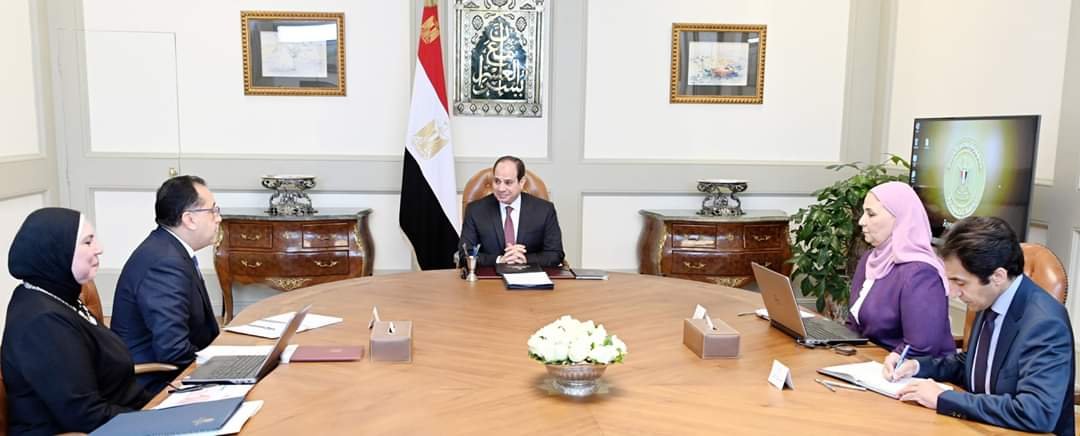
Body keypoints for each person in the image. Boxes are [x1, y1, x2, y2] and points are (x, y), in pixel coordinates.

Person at [889, 216, 1075, 435]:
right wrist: (917, 366)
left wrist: (944, 399)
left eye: (960, 282)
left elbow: (1036, 412)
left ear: (998, 276)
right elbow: (975, 365)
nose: (953, 292)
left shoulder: (1045, 323)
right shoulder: (990, 297)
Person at [2, 208, 152, 434]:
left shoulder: (60, 296)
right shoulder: (42, 322)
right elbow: (85, 415)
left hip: (124, 418)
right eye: (87, 242)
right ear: (56, 251)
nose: (99, 248)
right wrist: (156, 420)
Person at [111, 175, 222, 394]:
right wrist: (221, 369)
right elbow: (173, 350)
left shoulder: (169, 248)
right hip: (156, 383)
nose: (218, 218)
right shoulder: (165, 262)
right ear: (189, 219)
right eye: (213, 211)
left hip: (180, 368)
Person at [847, 181, 954, 357]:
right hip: (868, 361)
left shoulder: (921, 273)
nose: (861, 222)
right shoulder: (870, 259)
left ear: (900, 219)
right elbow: (853, 325)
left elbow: (921, 348)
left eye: (871, 214)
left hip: (907, 369)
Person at [459, 156, 565, 267]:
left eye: (508, 182)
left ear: (521, 182)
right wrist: (500, 259)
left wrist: (525, 259)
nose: (501, 188)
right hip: (491, 275)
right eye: (497, 181)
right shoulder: (475, 210)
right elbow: (465, 254)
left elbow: (555, 254)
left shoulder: (544, 210)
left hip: (530, 274)